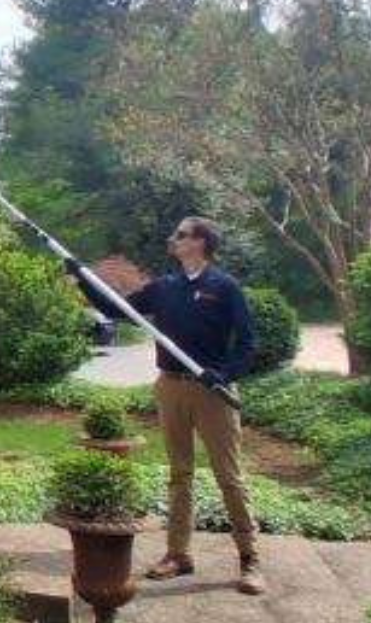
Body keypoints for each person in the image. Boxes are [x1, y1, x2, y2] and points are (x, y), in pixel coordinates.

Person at [91, 216, 264, 595]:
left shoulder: (224, 287)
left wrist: (224, 374)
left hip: (212, 393)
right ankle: (178, 554)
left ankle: (250, 558)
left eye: (181, 234)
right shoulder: (165, 287)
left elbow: (248, 342)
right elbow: (119, 308)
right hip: (170, 386)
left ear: (200, 242)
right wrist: (83, 278)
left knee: (229, 477)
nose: (174, 239)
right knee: (179, 474)